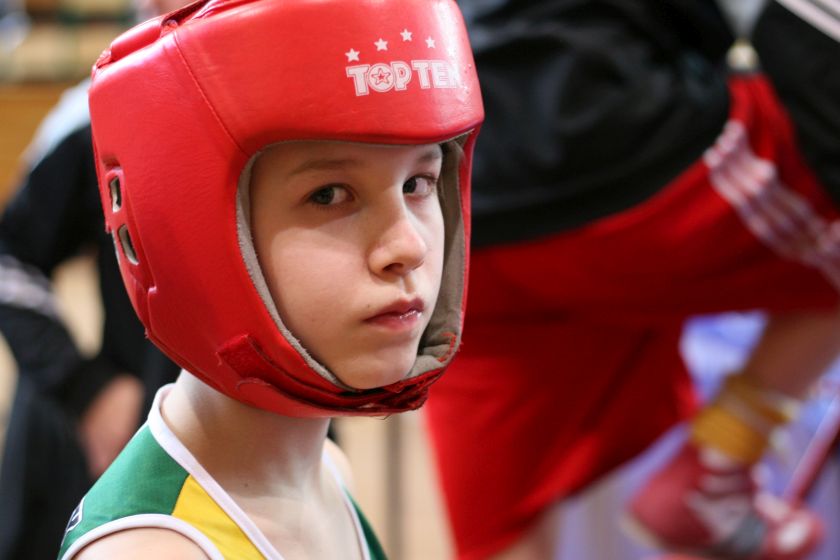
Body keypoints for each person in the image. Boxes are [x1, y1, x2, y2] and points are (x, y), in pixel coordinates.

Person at [56, 0, 483, 557]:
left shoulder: (328, 469)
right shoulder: (151, 551)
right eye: (328, 195)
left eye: (418, 183)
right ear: (195, 235)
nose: (409, 247)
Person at [425, 0, 840, 559]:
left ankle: (713, 478)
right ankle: (720, 463)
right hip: (610, 140)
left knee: (501, 529)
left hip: (463, 168)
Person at [0, 2, 188, 556]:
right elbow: (9, 256)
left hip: (264, 442)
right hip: (130, 442)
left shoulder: (288, 110)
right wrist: (85, 390)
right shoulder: (98, 113)